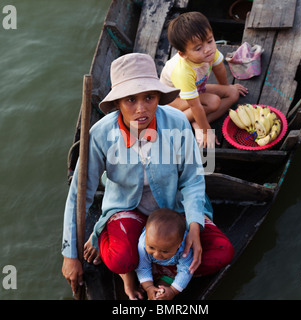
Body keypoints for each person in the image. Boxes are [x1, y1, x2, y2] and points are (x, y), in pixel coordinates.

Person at [61, 52, 234, 300]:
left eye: (149, 97)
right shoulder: (100, 134)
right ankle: (134, 271)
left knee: (221, 252)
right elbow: (79, 195)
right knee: (120, 260)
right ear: (118, 102)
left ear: (158, 97)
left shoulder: (176, 122)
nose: (141, 109)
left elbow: (193, 179)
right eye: (131, 99)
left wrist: (194, 227)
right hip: (127, 209)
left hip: (172, 209)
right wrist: (70, 255)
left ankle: (156, 266)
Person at [160, 11, 248, 148]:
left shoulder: (209, 52)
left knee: (233, 93)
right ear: (183, 54)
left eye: (210, 41)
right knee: (213, 102)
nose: (208, 49)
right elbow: (195, 105)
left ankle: (198, 121)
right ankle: (197, 125)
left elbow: (219, 68)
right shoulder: (183, 72)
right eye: (198, 48)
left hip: (196, 89)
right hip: (172, 100)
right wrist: (207, 132)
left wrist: (225, 88)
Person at [135, 208, 192, 300]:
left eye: (165, 251)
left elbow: (185, 270)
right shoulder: (143, 244)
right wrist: (149, 287)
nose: (157, 254)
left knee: (163, 293)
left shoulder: (185, 248)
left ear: (179, 244)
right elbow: (143, 267)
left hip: (172, 267)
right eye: (152, 247)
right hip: (150, 265)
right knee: (142, 282)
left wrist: (173, 290)